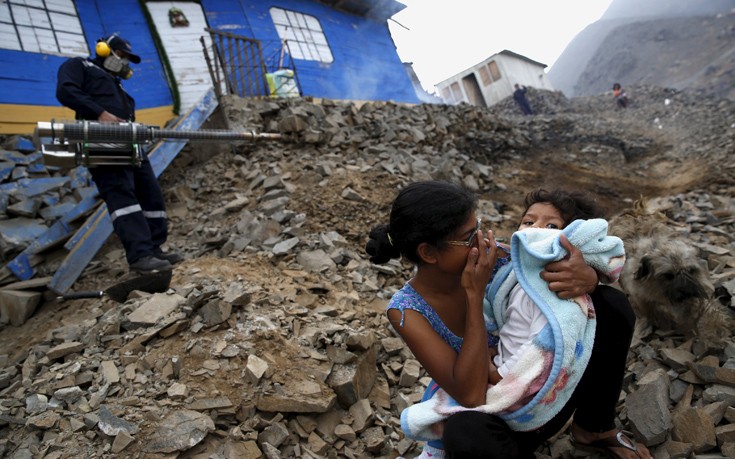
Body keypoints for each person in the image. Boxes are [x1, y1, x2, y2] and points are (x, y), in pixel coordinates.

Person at [365, 181, 652, 459]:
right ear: (428, 253)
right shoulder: (408, 311)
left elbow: (562, 266)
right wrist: (474, 296)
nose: (481, 239)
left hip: (550, 395)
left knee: (611, 305)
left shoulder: (497, 256)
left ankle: (594, 428)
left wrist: (588, 278)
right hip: (500, 416)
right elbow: (471, 395)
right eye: (468, 237)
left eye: (478, 227)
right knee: (464, 433)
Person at [56, 35, 181, 273]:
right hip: (101, 141)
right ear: (104, 50)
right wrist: (99, 112)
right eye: (120, 55)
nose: (123, 62)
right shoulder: (80, 66)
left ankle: (154, 248)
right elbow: (65, 90)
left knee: (150, 193)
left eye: (126, 59)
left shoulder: (116, 82)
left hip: (128, 141)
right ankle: (140, 256)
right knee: (122, 196)